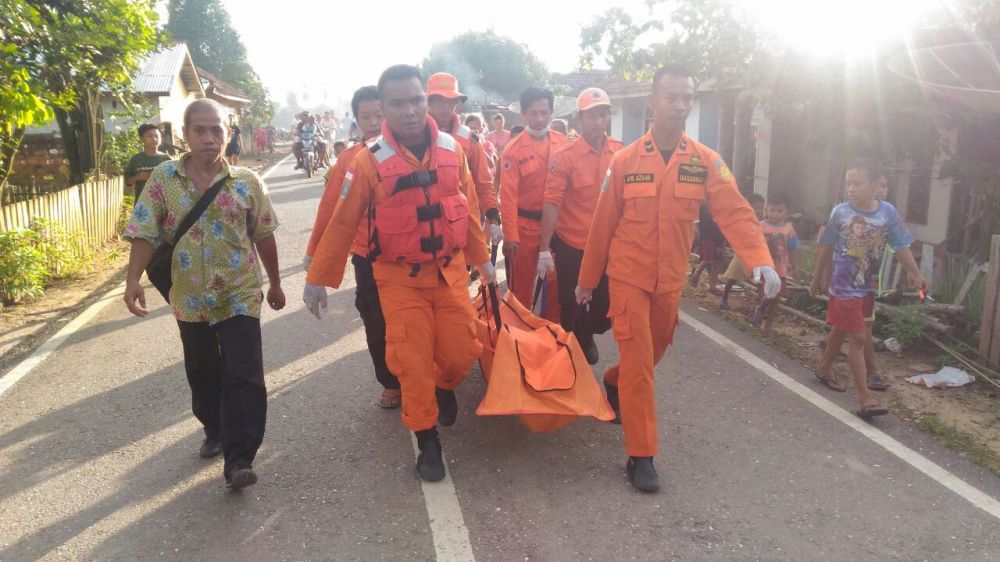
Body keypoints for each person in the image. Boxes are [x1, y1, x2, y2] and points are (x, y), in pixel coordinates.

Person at [576, 64, 778, 492]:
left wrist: (759, 259)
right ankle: (641, 455)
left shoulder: (705, 161)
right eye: (672, 97)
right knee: (640, 367)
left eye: (687, 97)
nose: (681, 105)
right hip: (628, 277)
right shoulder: (625, 161)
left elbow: (735, 211)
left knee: (652, 355)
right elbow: (602, 224)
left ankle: (613, 383)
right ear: (653, 102)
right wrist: (587, 280)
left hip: (669, 281)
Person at [303, 65, 494, 482]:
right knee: (411, 360)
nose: (408, 110)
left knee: (463, 350)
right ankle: (426, 439)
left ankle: (445, 384)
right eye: (397, 103)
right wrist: (317, 277)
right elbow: (342, 218)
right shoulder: (367, 162)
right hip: (398, 278)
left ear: (425, 102)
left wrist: (483, 259)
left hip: (449, 273)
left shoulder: (452, 149)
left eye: (415, 100)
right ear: (383, 109)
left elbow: (471, 207)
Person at [122, 98, 284, 490]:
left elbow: (263, 233)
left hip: (239, 292)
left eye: (217, 130)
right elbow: (145, 232)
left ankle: (240, 457)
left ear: (227, 135)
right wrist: (132, 281)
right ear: (186, 135)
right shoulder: (163, 179)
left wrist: (275, 283)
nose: (209, 138)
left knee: (244, 373)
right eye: (201, 130)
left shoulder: (247, 182)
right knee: (203, 370)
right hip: (189, 296)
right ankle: (214, 426)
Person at [303, 85, 402, 408]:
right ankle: (390, 381)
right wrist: (314, 255)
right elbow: (331, 209)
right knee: (375, 320)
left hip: (407, 255)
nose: (373, 122)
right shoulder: (348, 159)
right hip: (367, 255)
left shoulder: (408, 151)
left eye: (379, 114)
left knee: (412, 320)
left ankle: (423, 376)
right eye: (366, 117)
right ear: (356, 121)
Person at [810, 158, 928, 417]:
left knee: (842, 328)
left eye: (857, 183)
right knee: (858, 337)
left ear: (875, 185)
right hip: (844, 286)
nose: (850, 188)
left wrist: (915, 272)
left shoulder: (887, 213)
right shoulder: (840, 212)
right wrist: (817, 277)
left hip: (868, 286)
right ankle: (865, 398)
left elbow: (900, 245)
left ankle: (824, 367)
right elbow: (827, 246)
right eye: (847, 183)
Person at [538, 87, 623, 365]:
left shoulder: (622, 153)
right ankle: (574, 351)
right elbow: (552, 204)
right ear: (579, 119)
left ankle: (589, 332)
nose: (599, 121)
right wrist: (543, 250)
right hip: (574, 247)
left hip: (610, 248)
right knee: (571, 303)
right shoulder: (565, 156)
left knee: (605, 308)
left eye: (603, 114)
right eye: (592, 116)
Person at [499, 86, 566, 321]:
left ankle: (551, 339)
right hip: (524, 228)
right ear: (523, 115)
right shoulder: (513, 150)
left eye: (544, 112)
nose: (539, 119)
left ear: (551, 113)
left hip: (557, 227)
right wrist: (510, 236)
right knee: (521, 291)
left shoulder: (563, 143)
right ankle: (518, 341)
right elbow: (507, 197)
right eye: (533, 113)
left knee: (556, 288)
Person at [425, 72, 503, 248]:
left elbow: (483, 183)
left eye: (451, 101)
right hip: (422, 226)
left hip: (461, 223)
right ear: (428, 101)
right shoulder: (412, 136)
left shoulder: (469, 140)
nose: (446, 107)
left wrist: (492, 215)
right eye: (440, 101)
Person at [749, 193, 799, 331]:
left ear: (786, 212)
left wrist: (795, 268)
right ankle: (759, 310)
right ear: (767, 209)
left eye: (779, 211)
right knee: (765, 294)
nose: (775, 214)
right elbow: (752, 246)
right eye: (772, 210)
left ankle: (768, 325)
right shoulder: (760, 226)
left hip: (781, 270)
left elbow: (792, 249)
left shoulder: (789, 229)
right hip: (764, 267)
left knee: (776, 298)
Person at [718, 192, 765, 310]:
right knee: (732, 278)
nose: (759, 211)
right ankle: (724, 298)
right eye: (756, 208)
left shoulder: (764, 223)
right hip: (742, 255)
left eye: (761, 208)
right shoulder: (743, 219)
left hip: (756, 256)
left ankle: (760, 307)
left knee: (760, 282)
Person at [124, 124, 172, 199]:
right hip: (142, 204)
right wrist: (137, 177)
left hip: (164, 204)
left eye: (157, 136)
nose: (154, 139)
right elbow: (128, 182)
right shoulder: (136, 159)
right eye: (149, 136)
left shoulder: (166, 159)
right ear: (141, 139)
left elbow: (174, 180)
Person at [688, 205, 727, 294]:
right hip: (707, 237)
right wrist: (696, 229)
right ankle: (695, 275)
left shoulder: (720, 208)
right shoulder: (702, 209)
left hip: (720, 237)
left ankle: (712, 287)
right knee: (707, 260)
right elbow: (695, 219)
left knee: (719, 262)